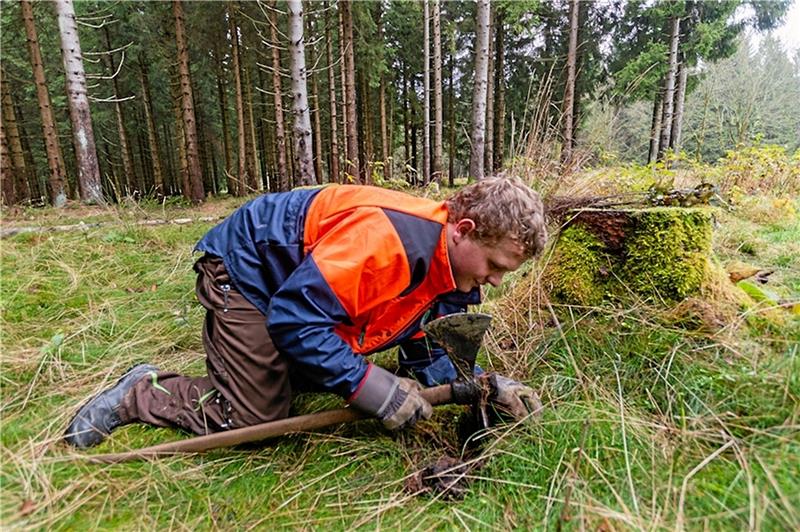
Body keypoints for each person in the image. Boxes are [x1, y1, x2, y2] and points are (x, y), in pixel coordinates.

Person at [64, 177, 547, 448]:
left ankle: (271, 369)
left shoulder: (456, 272)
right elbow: (295, 319)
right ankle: (141, 392)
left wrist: (483, 387)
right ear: (463, 229)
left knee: (323, 371)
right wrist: (371, 386)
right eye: (495, 265)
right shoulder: (386, 243)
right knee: (253, 421)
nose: (497, 281)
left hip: (305, 294)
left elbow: (430, 346)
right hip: (252, 273)